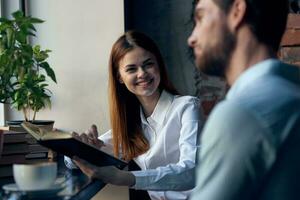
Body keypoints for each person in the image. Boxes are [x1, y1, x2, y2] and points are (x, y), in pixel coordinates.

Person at [65, 30, 204, 200]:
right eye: (131, 69)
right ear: (120, 78)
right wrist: (84, 148)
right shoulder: (130, 125)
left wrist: (123, 178)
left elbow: (191, 172)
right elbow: (72, 161)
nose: (142, 73)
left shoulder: (187, 107)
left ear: (158, 65)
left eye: (148, 64)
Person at [188, 0, 300, 199]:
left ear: (236, 12)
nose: (192, 38)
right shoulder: (291, 92)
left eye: (201, 17)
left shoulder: (241, 113)